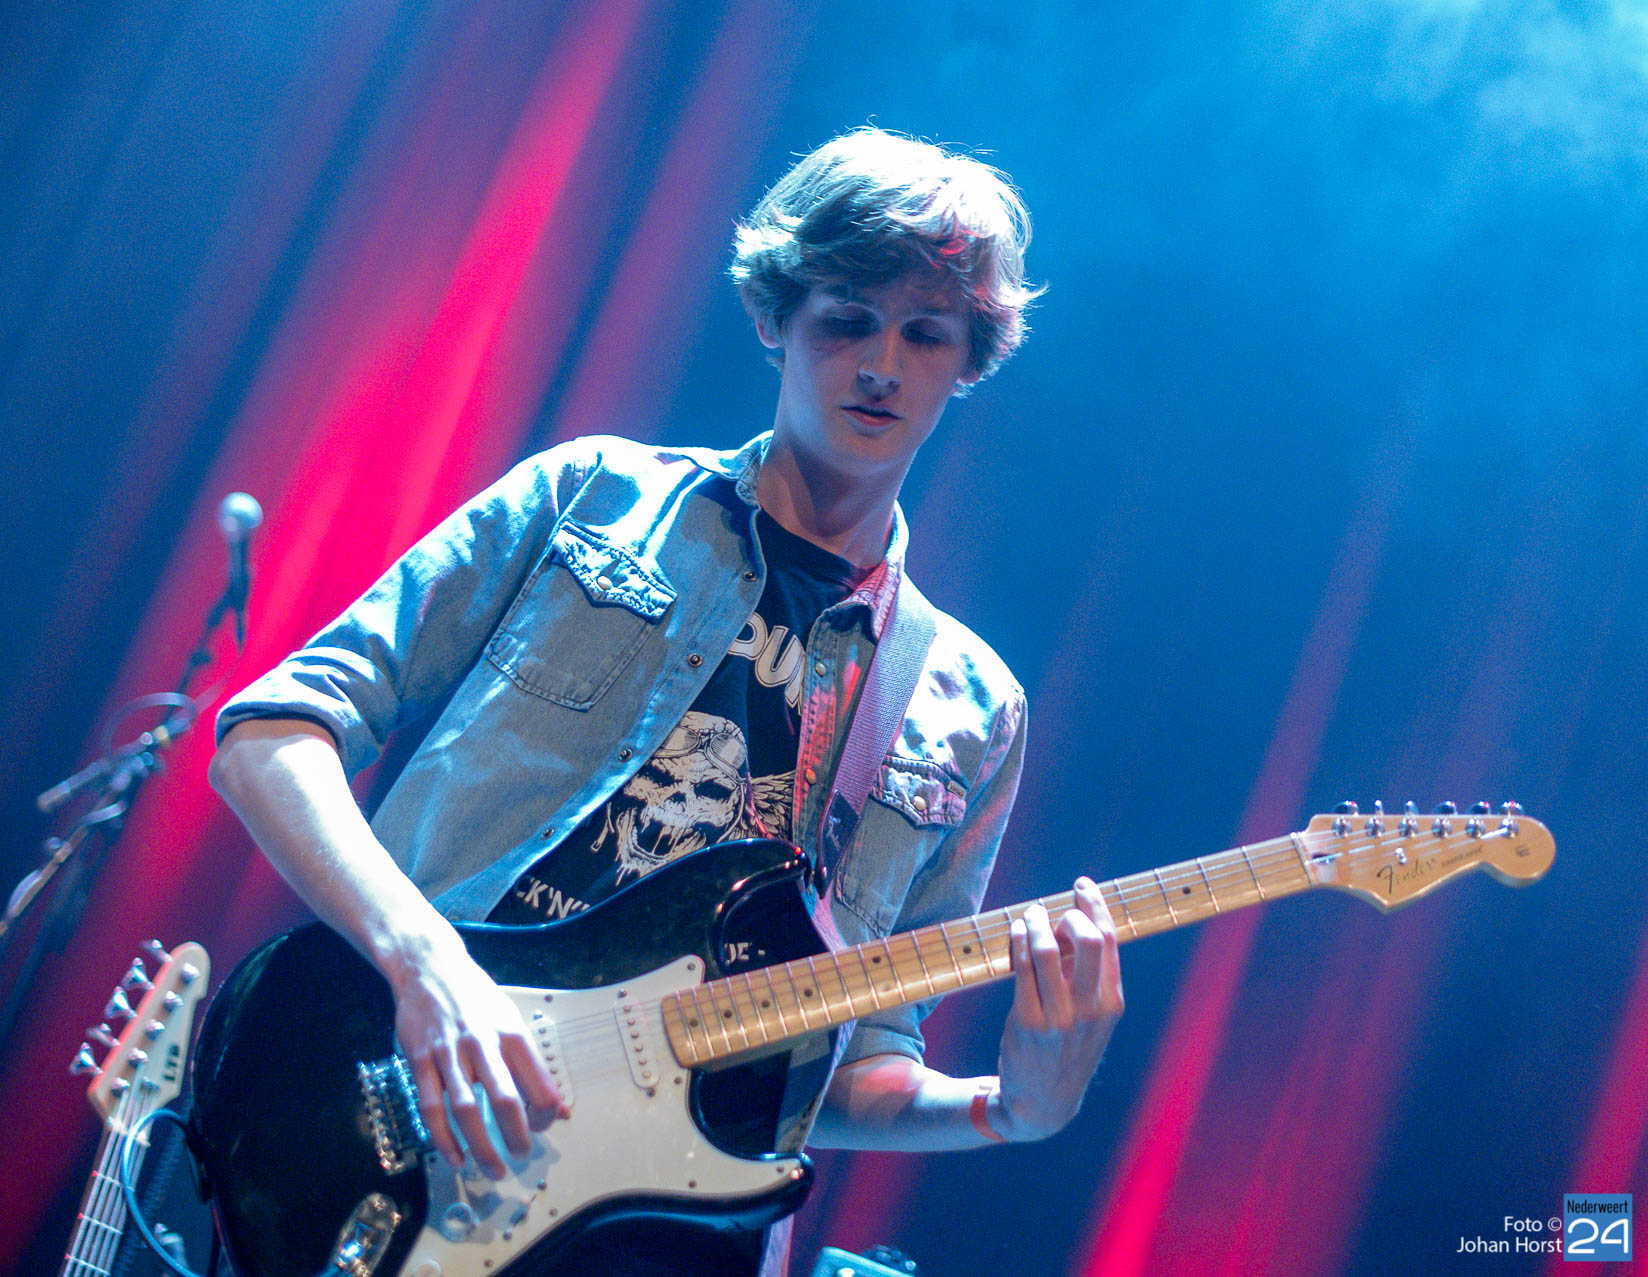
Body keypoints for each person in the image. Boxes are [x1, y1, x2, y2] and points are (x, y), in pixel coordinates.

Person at [209, 126, 1124, 1274]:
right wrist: (426, 964)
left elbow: (853, 1066)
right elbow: (269, 734)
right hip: (395, 1106)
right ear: (775, 315)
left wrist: (1016, 1106)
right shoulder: (591, 493)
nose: (882, 365)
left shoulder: (972, 706)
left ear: (968, 361)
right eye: (847, 319)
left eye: (926, 334)